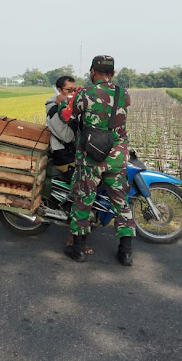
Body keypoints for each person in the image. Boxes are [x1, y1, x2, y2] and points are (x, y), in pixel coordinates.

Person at [59, 55, 135, 265]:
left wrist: (60, 106)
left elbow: (69, 116)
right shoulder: (123, 94)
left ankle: (78, 249)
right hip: (117, 155)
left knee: (83, 200)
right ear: (112, 73)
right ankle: (126, 253)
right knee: (121, 203)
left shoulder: (85, 93)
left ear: (93, 71)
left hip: (91, 156)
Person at [45, 75, 78, 183]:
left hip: (73, 153)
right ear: (59, 90)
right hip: (64, 156)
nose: (72, 94)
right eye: (69, 90)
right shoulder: (53, 110)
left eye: (74, 90)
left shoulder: (69, 106)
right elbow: (67, 137)